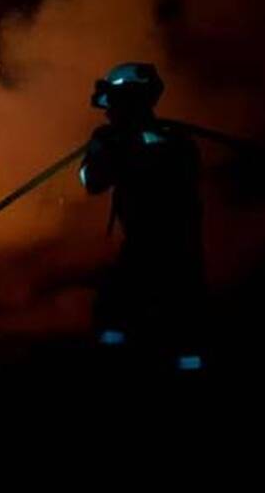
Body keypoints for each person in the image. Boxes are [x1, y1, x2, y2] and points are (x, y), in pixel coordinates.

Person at [80, 63, 206, 370]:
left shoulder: (130, 141)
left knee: (116, 311)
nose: (107, 112)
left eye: (113, 103)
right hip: (183, 250)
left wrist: (105, 149)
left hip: (154, 248)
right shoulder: (177, 138)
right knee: (181, 322)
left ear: (128, 100)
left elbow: (92, 182)